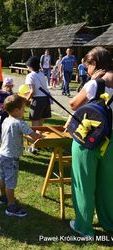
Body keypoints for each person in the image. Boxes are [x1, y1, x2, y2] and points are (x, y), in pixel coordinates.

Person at [69, 46, 113, 237]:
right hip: (110, 141)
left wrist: (92, 80)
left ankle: (83, 227)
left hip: (88, 139)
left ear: (94, 63)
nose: (86, 69)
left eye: (87, 65)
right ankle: (109, 223)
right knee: (108, 185)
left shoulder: (96, 83)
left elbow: (73, 104)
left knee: (83, 184)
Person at [0, 94, 41, 217]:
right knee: (11, 182)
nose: (24, 110)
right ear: (16, 110)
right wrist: (41, 136)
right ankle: (11, 206)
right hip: (11, 157)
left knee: (3, 177)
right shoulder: (19, 123)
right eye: (23, 108)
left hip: (3, 154)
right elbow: (33, 135)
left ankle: (3, 197)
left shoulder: (6, 119)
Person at [25, 56, 52, 126]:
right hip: (46, 99)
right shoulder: (41, 74)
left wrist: (26, 100)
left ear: (30, 66)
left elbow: (32, 91)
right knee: (41, 123)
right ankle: (40, 136)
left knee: (35, 122)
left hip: (37, 100)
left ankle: (36, 136)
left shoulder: (30, 76)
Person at [0, 77, 14, 150]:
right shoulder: (12, 95)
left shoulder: (0, 93)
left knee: (2, 131)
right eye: (7, 85)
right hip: (6, 115)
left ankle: (0, 146)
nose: (8, 87)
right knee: (2, 131)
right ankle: (0, 146)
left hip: (4, 115)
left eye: (9, 85)